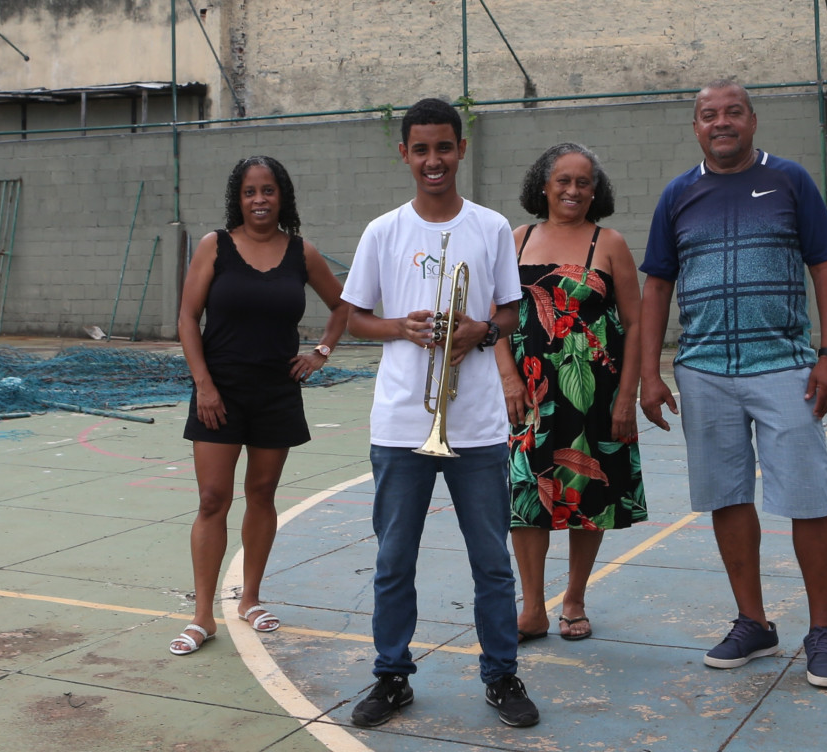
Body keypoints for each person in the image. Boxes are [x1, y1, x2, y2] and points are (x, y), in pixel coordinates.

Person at [637, 79, 827, 688]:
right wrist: (650, 374)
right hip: (704, 371)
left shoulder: (790, 181)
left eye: (732, 112)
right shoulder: (679, 195)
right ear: (696, 127)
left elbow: (825, 267)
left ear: (753, 120)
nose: (721, 122)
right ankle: (753, 623)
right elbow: (657, 286)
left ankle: (822, 631)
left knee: (809, 499)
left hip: (784, 366)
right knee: (727, 497)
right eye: (709, 115)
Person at [340, 98, 539, 730]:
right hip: (403, 420)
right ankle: (392, 674)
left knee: (490, 559)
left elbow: (509, 313)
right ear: (405, 154)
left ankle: (501, 674)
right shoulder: (384, 230)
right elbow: (353, 317)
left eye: (444, 148)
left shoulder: (490, 227)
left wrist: (480, 330)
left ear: (461, 149)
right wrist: (400, 326)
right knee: (395, 558)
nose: (434, 160)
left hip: (476, 421)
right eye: (421, 149)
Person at [169, 155, 350, 656]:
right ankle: (203, 615)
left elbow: (344, 305)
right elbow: (187, 318)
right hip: (219, 392)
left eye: (268, 190)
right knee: (212, 499)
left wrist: (321, 353)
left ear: (282, 196)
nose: (259, 200)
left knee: (263, 492)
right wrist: (203, 385)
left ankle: (250, 598)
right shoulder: (215, 247)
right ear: (239, 198)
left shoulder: (302, 253)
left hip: (277, 391)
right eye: (250, 191)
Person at [508, 142, 647, 643]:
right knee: (526, 495)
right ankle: (531, 609)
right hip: (528, 394)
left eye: (583, 182)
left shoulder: (608, 242)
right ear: (543, 185)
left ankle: (573, 600)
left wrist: (626, 394)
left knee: (588, 493)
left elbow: (636, 321)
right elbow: (497, 318)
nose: (572, 190)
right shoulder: (516, 238)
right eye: (563, 180)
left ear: (596, 190)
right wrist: (507, 379)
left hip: (594, 393)